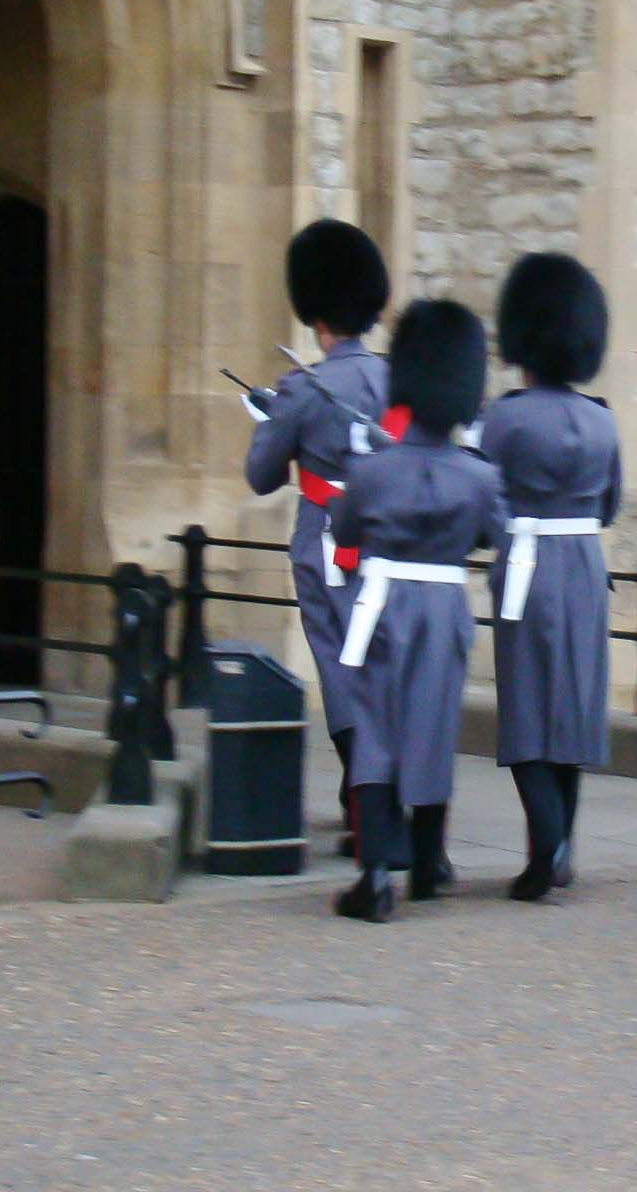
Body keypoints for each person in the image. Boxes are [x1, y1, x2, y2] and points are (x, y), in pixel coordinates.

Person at [329, 300, 507, 921]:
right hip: (444, 605)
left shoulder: (372, 471)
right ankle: (429, 864)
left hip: (383, 605)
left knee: (376, 730)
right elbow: (494, 534)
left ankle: (376, 872)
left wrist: (374, 463)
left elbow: (343, 525)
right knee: (433, 729)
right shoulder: (479, 476)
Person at [244, 219, 399, 857]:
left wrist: (267, 420)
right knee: (387, 668)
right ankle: (378, 798)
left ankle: (368, 812)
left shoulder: (304, 388)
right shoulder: (398, 377)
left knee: (340, 672)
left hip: (330, 544)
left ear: (317, 319)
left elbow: (261, 477)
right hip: (394, 540)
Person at [479, 253, 622, 901]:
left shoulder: (505, 418)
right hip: (586, 566)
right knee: (572, 707)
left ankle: (547, 849)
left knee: (528, 709)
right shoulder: (602, 419)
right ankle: (561, 841)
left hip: (528, 566)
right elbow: (611, 504)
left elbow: (484, 498)